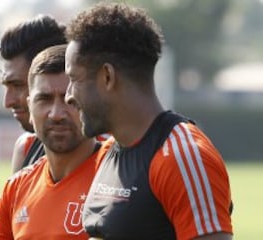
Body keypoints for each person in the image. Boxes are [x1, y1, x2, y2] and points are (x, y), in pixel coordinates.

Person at [64, 2, 233, 240]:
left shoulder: (182, 156)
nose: (68, 95)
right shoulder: (109, 151)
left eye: (74, 79)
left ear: (107, 77)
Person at [0, 44, 111, 240]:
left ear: (91, 104)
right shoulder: (16, 188)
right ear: (29, 107)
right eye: (44, 99)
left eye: (70, 100)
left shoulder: (120, 175)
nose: (56, 114)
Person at [0, 15, 67, 172]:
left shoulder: (110, 154)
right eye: (6, 86)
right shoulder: (26, 148)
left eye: (18, 85)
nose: (7, 102)